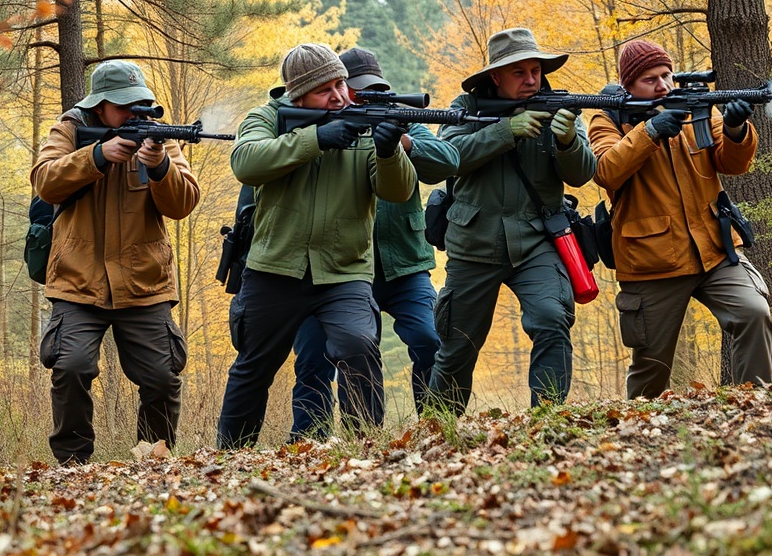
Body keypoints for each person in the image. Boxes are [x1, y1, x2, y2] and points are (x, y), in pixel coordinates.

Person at [216, 43, 417, 448]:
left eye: (341, 83)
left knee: (358, 346)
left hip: (344, 270)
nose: (340, 96)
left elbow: (397, 191)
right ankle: (228, 457)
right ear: (298, 95)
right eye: (326, 89)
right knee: (255, 365)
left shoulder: (362, 122)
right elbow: (246, 162)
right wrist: (316, 139)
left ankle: (367, 447)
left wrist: (388, 149)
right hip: (275, 266)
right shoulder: (268, 117)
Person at [31, 60, 200, 465]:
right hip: (77, 278)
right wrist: (97, 156)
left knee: (161, 376)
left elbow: (183, 204)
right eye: (124, 106)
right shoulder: (70, 130)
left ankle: (153, 457)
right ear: (99, 106)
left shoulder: (161, 139)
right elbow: (45, 181)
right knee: (71, 367)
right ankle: (73, 465)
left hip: (144, 282)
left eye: (141, 104)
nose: (135, 113)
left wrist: (158, 165)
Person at [587, 39, 772, 398]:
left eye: (667, 75)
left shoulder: (695, 109)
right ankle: (636, 434)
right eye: (650, 79)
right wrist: (651, 130)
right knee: (651, 370)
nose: (663, 85)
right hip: (651, 259)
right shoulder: (607, 117)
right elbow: (605, 171)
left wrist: (736, 129)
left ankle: (755, 405)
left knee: (754, 313)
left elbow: (734, 164)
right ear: (628, 86)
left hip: (715, 248)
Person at [289, 48, 458, 440]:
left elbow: (448, 159)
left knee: (430, 339)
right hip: (335, 269)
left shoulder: (400, 120)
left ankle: (437, 426)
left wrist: (400, 141)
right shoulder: (318, 128)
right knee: (315, 357)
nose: (367, 100)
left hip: (402, 263)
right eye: (358, 92)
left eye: (376, 92)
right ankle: (314, 440)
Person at [427, 28, 597, 415]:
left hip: (538, 240)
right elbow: (445, 157)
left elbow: (583, 173)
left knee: (552, 319)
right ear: (495, 77)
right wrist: (506, 131)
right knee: (457, 344)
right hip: (474, 243)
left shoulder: (560, 107)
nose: (531, 80)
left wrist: (569, 141)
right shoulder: (464, 107)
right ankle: (436, 430)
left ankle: (547, 421)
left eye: (535, 70)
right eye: (519, 72)